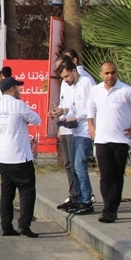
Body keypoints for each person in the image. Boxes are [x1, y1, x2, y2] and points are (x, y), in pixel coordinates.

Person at [87, 61, 131, 223]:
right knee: (106, 175)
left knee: (117, 175)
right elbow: (90, 107)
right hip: (102, 140)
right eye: (106, 73)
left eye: (112, 73)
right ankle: (107, 208)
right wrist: (91, 124)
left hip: (121, 140)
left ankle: (113, 208)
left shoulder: (126, 91)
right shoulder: (95, 90)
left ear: (116, 73)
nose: (110, 76)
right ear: (101, 74)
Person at [0, 76, 41, 237]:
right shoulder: (18, 104)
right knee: (27, 190)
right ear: (12, 89)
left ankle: (6, 226)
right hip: (19, 156)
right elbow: (37, 119)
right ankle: (24, 225)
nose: (19, 90)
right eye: (18, 88)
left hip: (2, 156)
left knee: (7, 192)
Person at [52, 57, 77, 210]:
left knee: (76, 165)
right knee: (68, 164)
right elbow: (63, 104)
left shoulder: (84, 81)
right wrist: (59, 119)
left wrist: (66, 111)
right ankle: (73, 195)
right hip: (65, 127)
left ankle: (81, 196)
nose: (65, 79)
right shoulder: (64, 83)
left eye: (62, 67)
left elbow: (83, 108)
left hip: (77, 129)